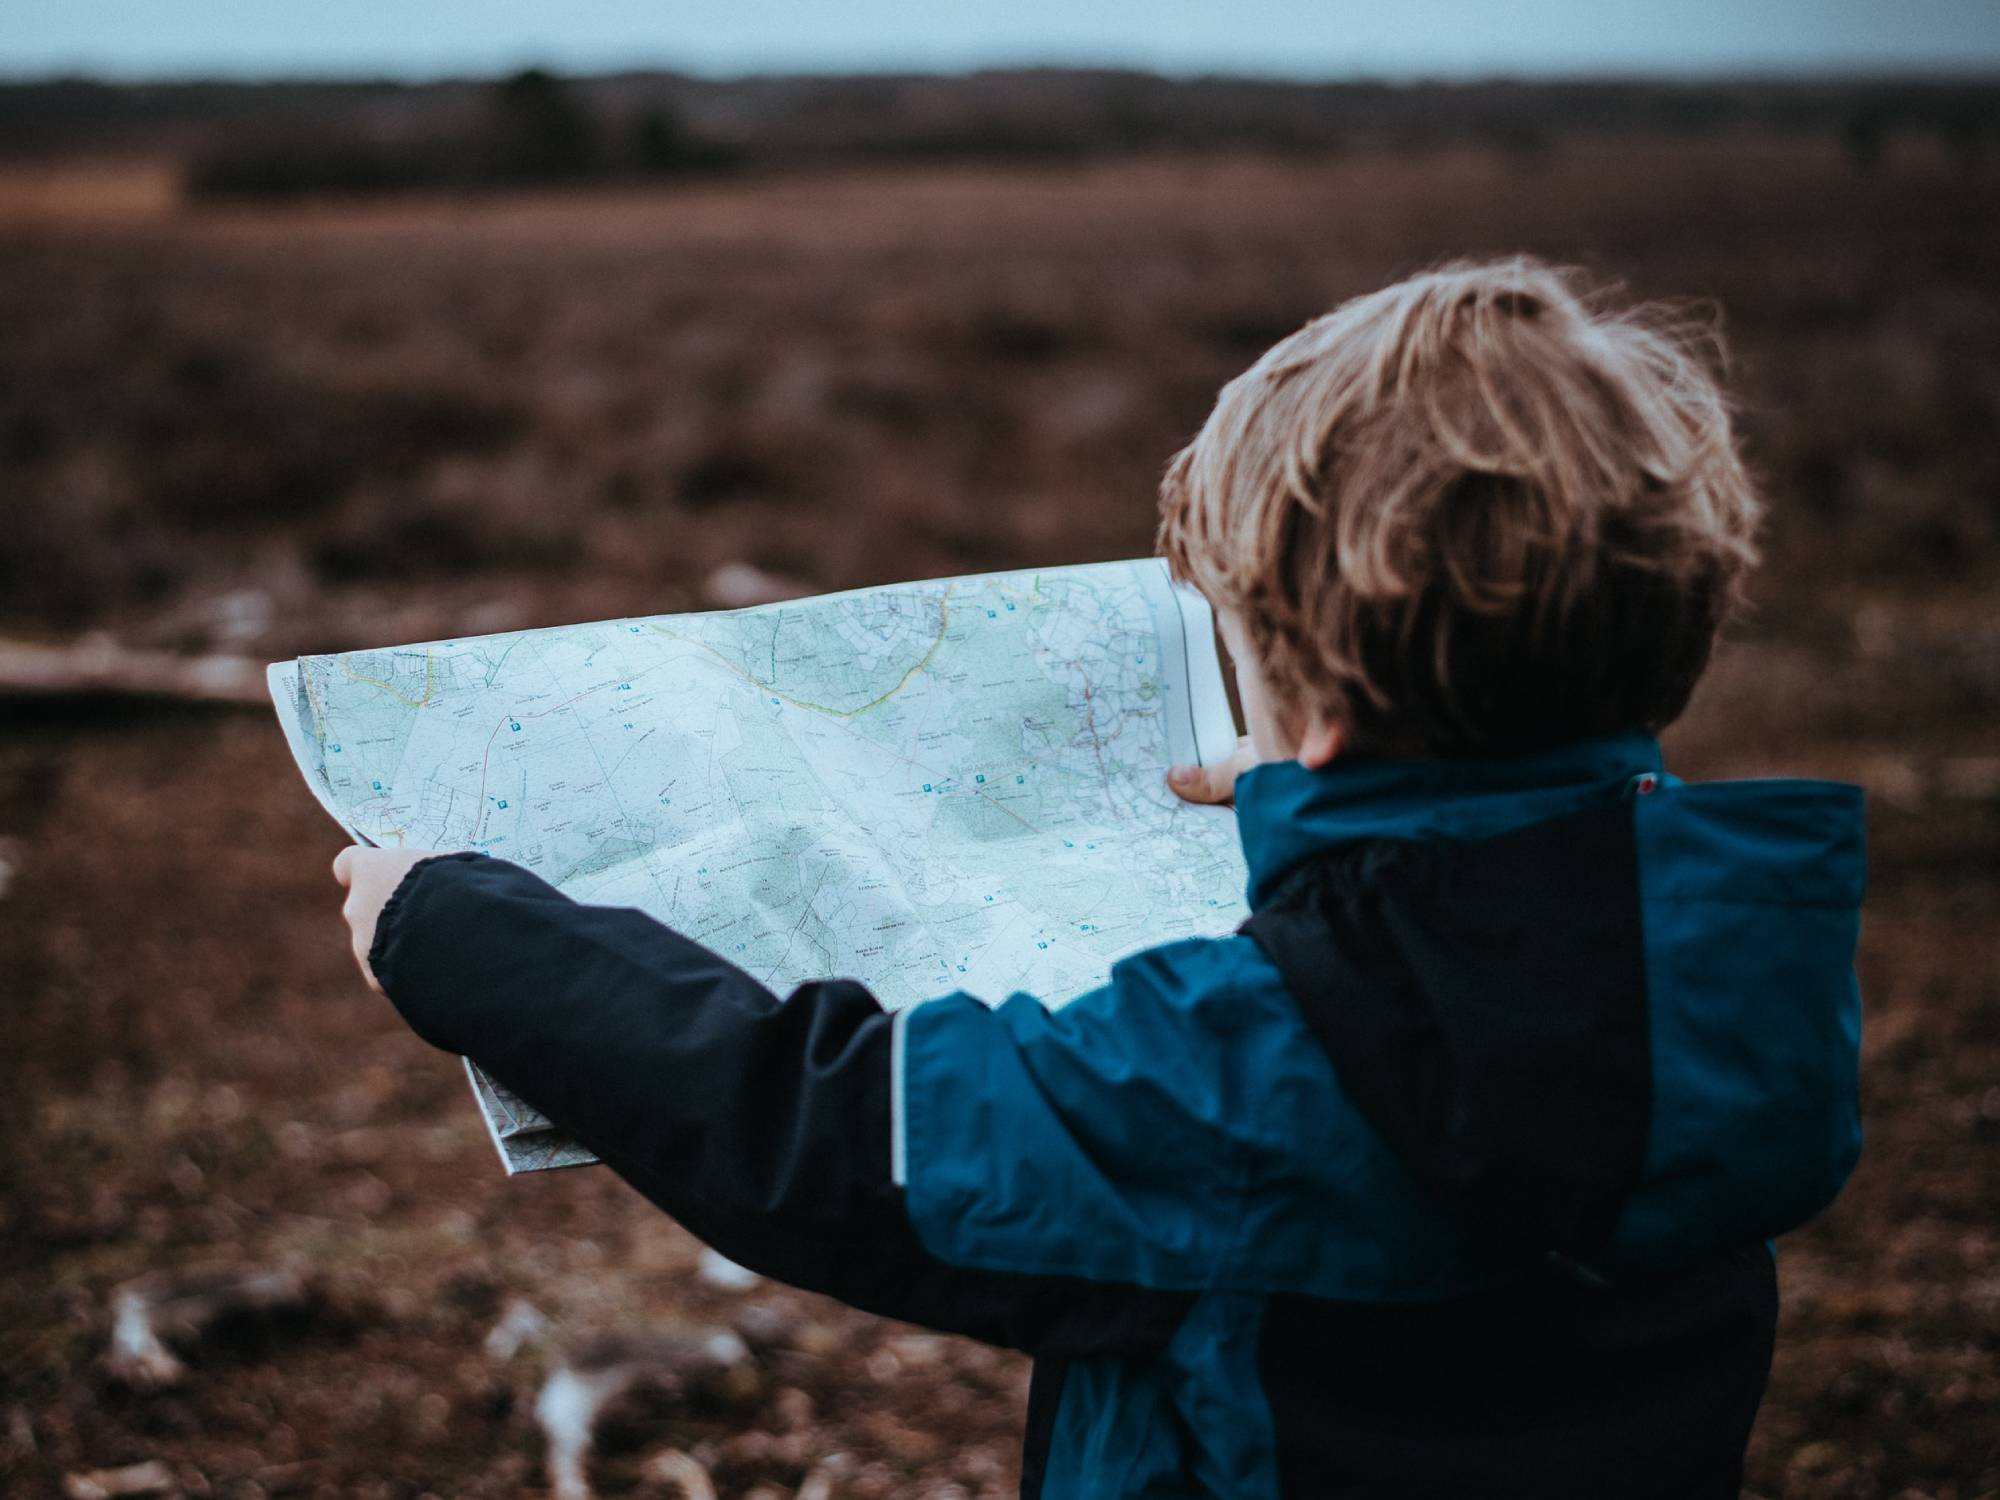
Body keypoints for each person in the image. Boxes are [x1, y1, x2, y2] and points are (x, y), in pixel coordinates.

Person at [332, 256, 1864, 1498]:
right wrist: (1321, 812)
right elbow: (1500, 909)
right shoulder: (1737, 984)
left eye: (1245, 655)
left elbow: (827, 1133)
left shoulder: (1245, 1076)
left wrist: (457, 932)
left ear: (1317, 704)